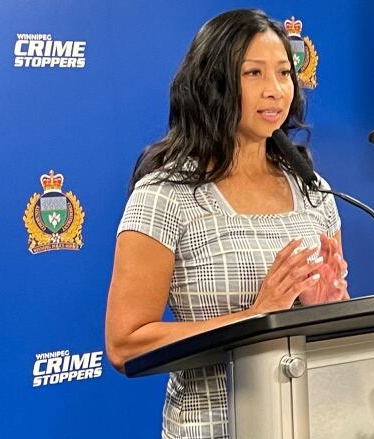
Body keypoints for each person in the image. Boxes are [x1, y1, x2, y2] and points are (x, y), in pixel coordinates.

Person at [105, 9, 349, 439]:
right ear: (212, 83)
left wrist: (328, 306)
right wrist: (255, 318)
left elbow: (328, 329)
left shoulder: (313, 190)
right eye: (253, 73)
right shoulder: (165, 194)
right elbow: (126, 344)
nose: (275, 90)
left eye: (283, 73)